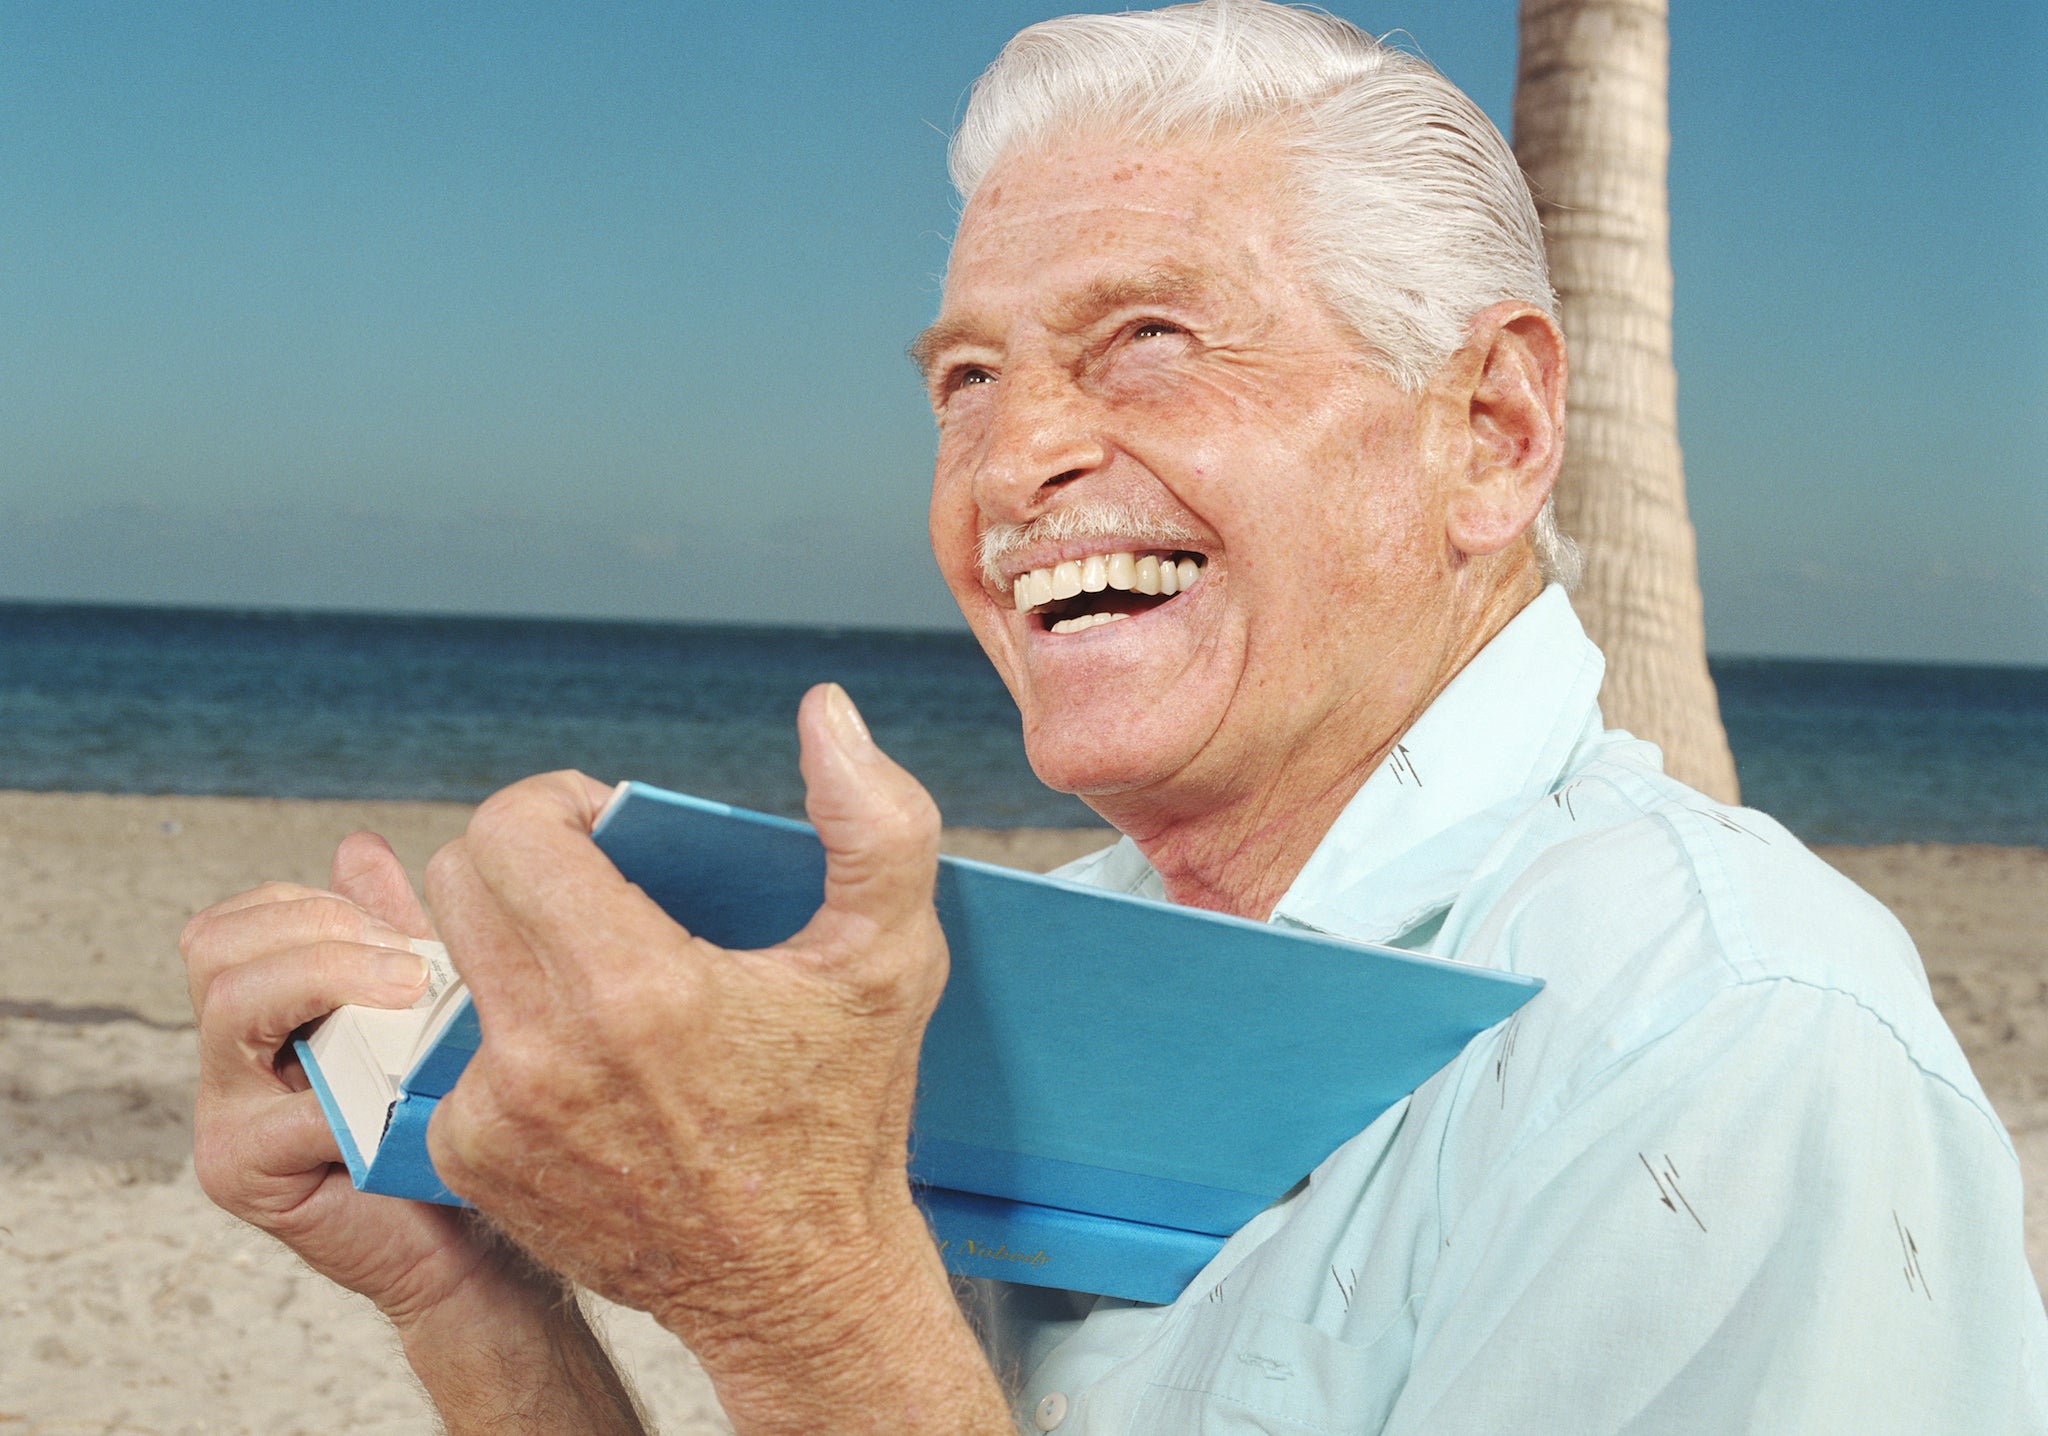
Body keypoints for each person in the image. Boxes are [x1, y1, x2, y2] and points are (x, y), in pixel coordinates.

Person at [180, 3, 2048, 1432]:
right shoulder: (1061, 963)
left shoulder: (1729, 1045)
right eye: (966, 377)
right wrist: (469, 1301)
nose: (1013, 462)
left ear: (1489, 434)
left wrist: (802, 1296)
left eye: (1145, 338)